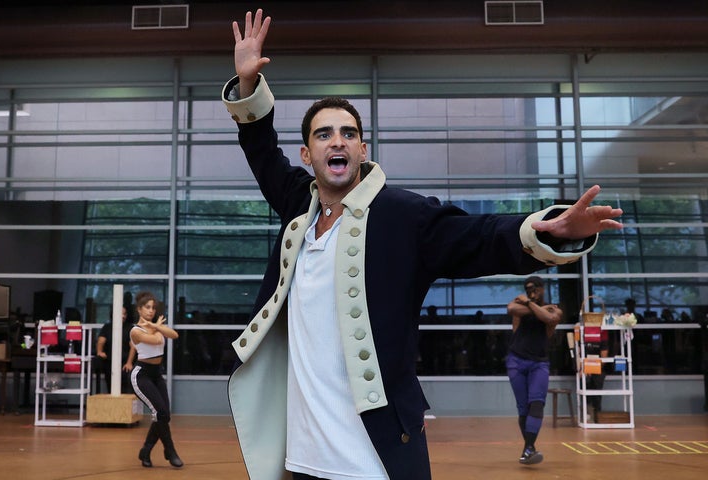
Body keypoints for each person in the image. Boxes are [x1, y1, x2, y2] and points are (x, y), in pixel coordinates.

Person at [221, 9, 623, 480]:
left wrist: (547, 228)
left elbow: (480, 236)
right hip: (303, 459)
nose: (339, 141)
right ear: (308, 155)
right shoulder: (297, 206)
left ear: (363, 150)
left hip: (376, 458)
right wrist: (247, 82)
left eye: (349, 133)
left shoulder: (401, 214)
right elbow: (261, 148)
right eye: (324, 133)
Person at [506, 276, 562, 465]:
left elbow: (550, 317)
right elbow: (511, 309)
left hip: (539, 363)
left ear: (542, 289)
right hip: (516, 361)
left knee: (537, 404)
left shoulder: (554, 308)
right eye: (527, 288)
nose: (531, 290)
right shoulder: (520, 306)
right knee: (523, 409)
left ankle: (529, 448)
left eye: (534, 288)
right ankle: (529, 448)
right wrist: (535, 308)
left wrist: (529, 303)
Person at [129, 291, 183, 468]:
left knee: (164, 415)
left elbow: (174, 335)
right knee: (159, 413)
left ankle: (145, 450)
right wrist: (158, 328)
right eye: (147, 307)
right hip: (142, 375)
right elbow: (155, 340)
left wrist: (156, 326)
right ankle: (170, 451)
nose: (151, 310)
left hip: (156, 374)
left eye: (153, 308)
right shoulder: (135, 331)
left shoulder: (155, 326)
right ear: (139, 309)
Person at [95, 306, 135, 394]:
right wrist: (99, 352)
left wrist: (129, 363)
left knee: (126, 390)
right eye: (121, 313)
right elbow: (101, 341)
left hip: (125, 364)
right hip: (110, 363)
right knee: (111, 389)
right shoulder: (107, 327)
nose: (123, 316)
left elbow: (133, 346)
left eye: (125, 314)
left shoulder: (130, 327)